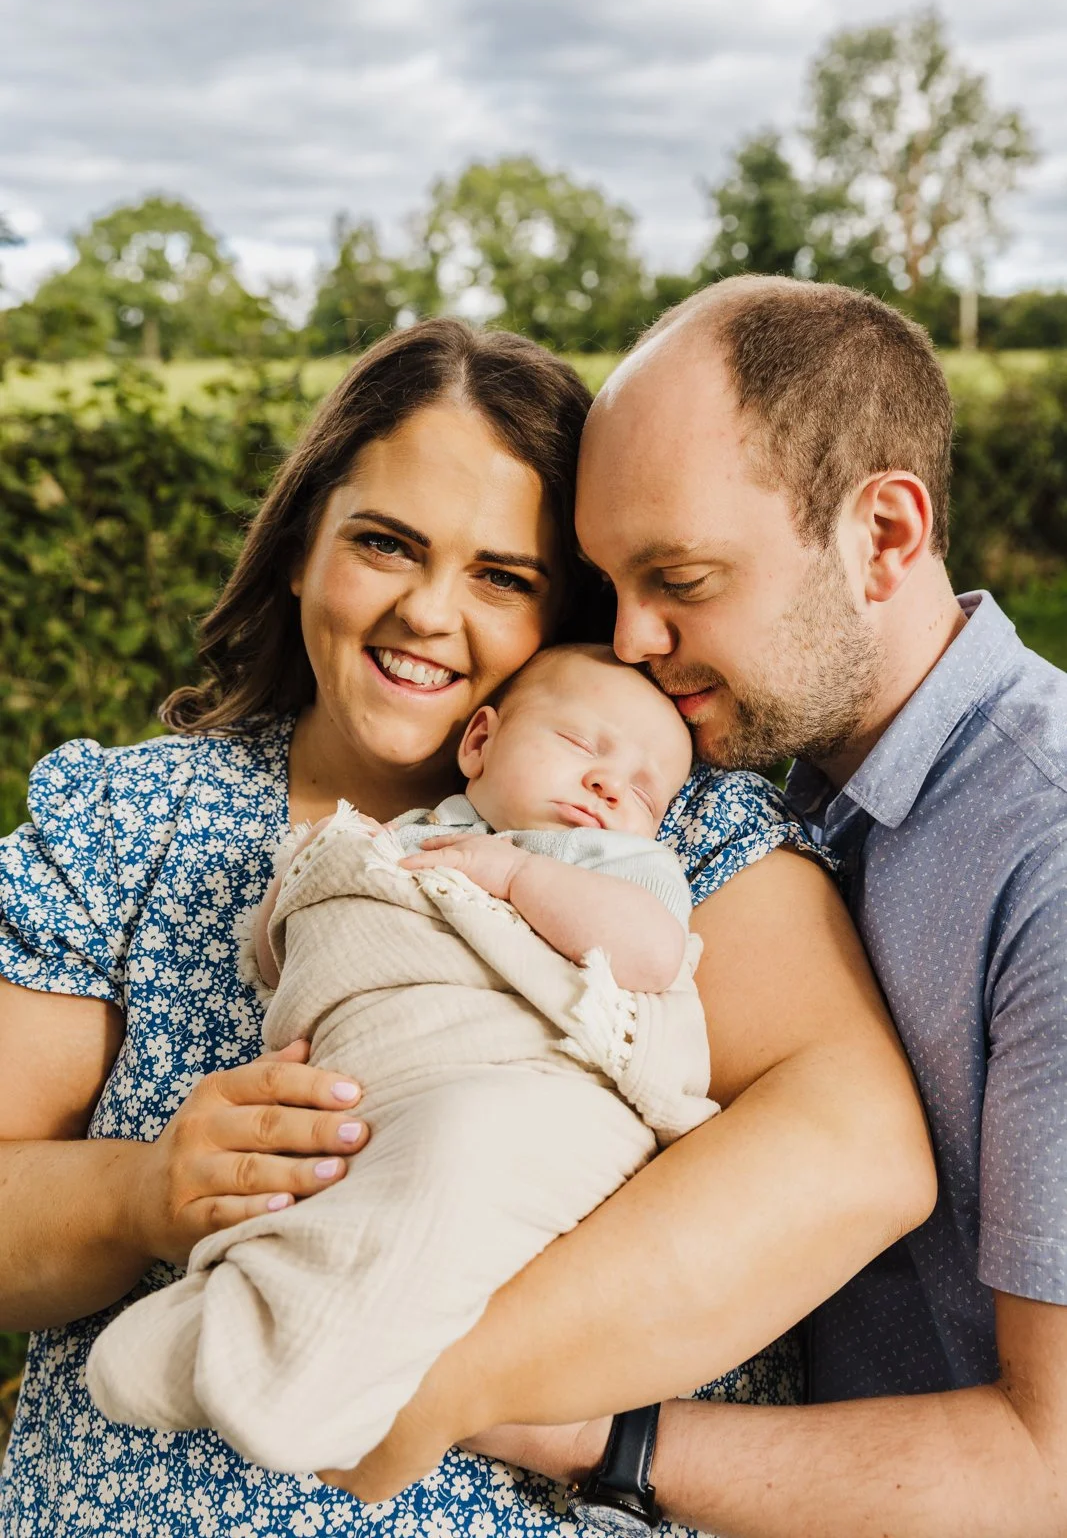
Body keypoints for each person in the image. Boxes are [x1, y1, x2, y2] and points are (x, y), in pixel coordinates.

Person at [0, 316, 932, 1537]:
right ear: (300, 551)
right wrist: (136, 1192)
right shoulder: (131, 824)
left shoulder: (664, 823)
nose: (428, 611)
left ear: (567, 609)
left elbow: (854, 1152)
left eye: (502, 576)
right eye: (383, 543)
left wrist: (428, 1380)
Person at [362, 278, 1067, 1538]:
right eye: (608, 582)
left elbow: (1048, 1467)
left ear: (882, 535)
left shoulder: (1043, 859)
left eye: (678, 577)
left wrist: (587, 1432)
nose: (632, 638)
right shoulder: (757, 782)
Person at [87, 647, 715, 1472]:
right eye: (580, 744)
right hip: (376, 1079)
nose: (608, 786)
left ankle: (306, 1387)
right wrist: (311, 877)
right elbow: (290, 948)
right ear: (479, 743)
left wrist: (516, 874)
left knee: (460, 1153)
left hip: (529, 1090)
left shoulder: (619, 863)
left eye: (643, 791)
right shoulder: (414, 833)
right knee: (334, 1190)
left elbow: (651, 956)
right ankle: (252, 1313)